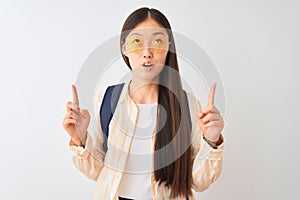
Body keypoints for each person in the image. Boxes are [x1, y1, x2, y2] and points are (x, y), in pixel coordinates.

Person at [62, 7, 225, 200]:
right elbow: (97, 171)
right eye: (137, 42)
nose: (147, 53)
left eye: (157, 41)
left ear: (168, 47)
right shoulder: (107, 99)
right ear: (124, 47)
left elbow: (198, 182)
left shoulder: (187, 104)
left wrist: (211, 141)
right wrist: (80, 140)